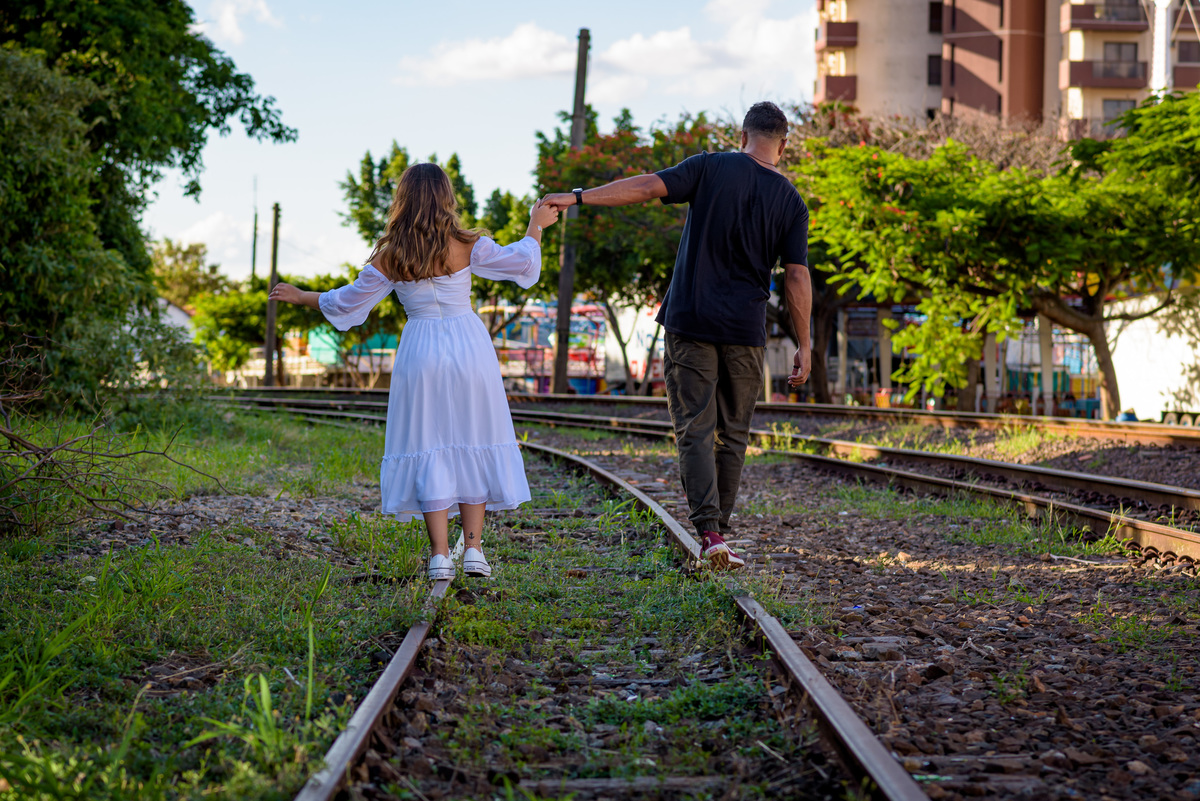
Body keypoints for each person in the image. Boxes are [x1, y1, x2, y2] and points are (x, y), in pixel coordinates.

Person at [544, 101, 811, 570]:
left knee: (695, 428)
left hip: (691, 322)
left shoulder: (709, 167)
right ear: (782, 146)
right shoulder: (791, 201)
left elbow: (647, 186)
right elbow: (795, 277)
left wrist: (579, 196)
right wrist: (805, 344)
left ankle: (710, 534)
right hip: (746, 332)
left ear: (741, 134)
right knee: (734, 434)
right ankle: (718, 534)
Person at [270, 163, 559, 580]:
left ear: (402, 200)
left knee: (430, 443)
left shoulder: (392, 254)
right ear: (447, 197)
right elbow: (522, 265)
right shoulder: (467, 243)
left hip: (420, 349)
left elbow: (349, 302)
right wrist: (535, 226)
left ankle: (440, 556)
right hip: (469, 347)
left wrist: (301, 296)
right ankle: (474, 550)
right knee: (473, 438)